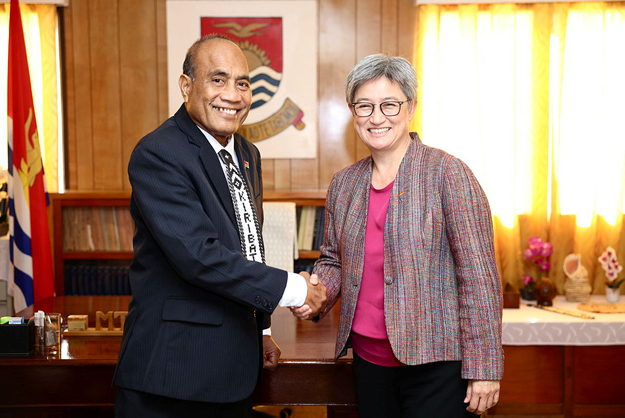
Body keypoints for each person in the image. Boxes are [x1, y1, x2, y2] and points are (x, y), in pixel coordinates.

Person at [113, 34, 327, 417]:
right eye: (218, 79)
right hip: (173, 376)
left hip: (234, 367)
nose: (233, 94)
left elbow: (247, 244)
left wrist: (260, 330)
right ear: (186, 86)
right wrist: (295, 289)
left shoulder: (247, 152)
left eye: (242, 83)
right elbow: (200, 256)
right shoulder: (159, 153)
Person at [292, 54, 503, 417]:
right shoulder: (344, 183)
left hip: (437, 364)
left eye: (390, 104)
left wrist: (484, 370)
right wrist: (316, 293)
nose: (377, 117)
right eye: (365, 106)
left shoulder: (448, 174)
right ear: (352, 111)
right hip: (368, 361)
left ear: (411, 107)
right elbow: (333, 259)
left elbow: (479, 277)